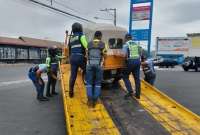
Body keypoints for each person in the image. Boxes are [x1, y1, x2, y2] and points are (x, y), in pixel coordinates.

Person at [86, 31, 106, 106]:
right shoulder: (103, 44)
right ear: (100, 36)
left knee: (89, 82)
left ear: (94, 36)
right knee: (97, 83)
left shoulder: (89, 44)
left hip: (89, 64)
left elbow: (86, 55)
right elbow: (105, 55)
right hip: (99, 65)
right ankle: (96, 99)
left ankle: (90, 100)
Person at [68, 22, 88, 98]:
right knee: (88, 69)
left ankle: (71, 92)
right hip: (80, 57)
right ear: (80, 28)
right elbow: (86, 46)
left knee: (73, 75)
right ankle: (88, 83)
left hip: (72, 58)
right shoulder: (81, 36)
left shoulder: (71, 38)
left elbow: (69, 49)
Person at [121, 33, 142, 99]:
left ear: (126, 38)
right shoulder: (136, 44)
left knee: (125, 76)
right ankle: (138, 94)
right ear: (131, 38)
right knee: (137, 78)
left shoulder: (126, 45)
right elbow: (140, 52)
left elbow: (124, 55)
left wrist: (124, 62)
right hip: (138, 61)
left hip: (130, 62)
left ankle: (130, 91)